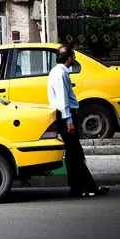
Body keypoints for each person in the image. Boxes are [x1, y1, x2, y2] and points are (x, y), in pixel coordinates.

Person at [48, 44, 109, 197]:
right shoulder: (60, 74)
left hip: (65, 116)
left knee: (72, 154)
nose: (74, 58)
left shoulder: (57, 71)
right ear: (69, 58)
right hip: (66, 117)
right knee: (76, 153)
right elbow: (62, 100)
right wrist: (69, 121)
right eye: (73, 56)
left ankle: (76, 187)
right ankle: (89, 187)